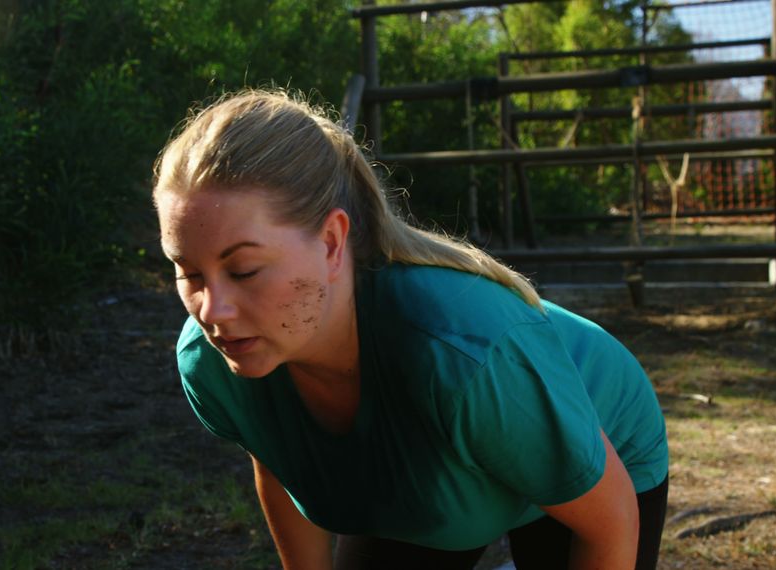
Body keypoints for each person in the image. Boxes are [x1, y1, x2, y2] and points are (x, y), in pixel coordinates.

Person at [152, 89, 669, 570]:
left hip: (591, 446)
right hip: (442, 479)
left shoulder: (461, 354)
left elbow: (610, 519)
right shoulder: (213, 359)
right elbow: (279, 460)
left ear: (331, 243)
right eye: (188, 272)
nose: (212, 310)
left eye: (243, 271)